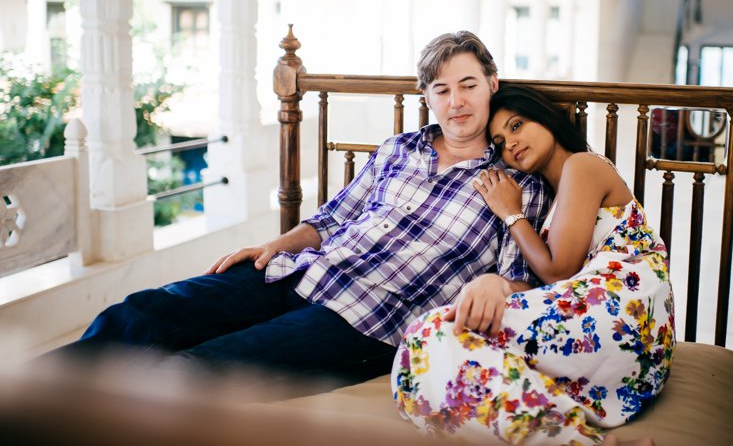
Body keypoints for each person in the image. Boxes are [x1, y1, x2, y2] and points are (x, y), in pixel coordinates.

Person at [55, 32, 549, 394]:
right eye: (442, 89)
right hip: (304, 272)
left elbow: (528, 278)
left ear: (491, 83)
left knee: (197, 369)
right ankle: (29, 398)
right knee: (141, 315)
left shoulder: (519, 183)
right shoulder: (400, 148)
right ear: (427, 97)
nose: (456, 101)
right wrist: (276, 246)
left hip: (369, 319)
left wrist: (498, 285)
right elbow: (332, 218)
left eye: (468, 85)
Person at [392, 85, 675, 444]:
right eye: (498, 141)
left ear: (545, 119)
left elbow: (558, 271)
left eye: (517, 125)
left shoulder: (583, 165)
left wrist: (511, 213)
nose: (509, 143)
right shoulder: (555, 200)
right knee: (426, 363)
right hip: (625, 335)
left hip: (623, 309)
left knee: (431, 333)